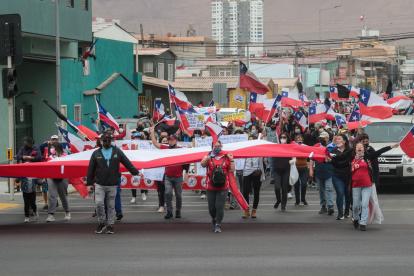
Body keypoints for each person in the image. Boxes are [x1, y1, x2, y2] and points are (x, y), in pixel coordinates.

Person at [87, 132, 139, 234]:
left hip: (112, 184)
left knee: (111, 206)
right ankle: (102, 223)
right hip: (99, 184)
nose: (106, 142)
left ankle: (110, 225)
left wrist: (135, 172)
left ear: (111, 141)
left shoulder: (117, 151)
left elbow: (127, 162)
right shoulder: (96, 153)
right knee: (99, 203)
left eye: (108, 140)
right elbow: (90, 169)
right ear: (101, 141)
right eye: (104, 140)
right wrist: (89, 184)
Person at [150, 127, 189, 219]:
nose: (170, 141)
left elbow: (187, 161)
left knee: (178, 195)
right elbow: (155, 143)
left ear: (176, 140)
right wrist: (152, 133)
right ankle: (169, 212)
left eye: (172, 140)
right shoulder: (165, 148)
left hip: (178, 177)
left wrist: (186, 174)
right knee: (167, 193)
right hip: (168, 176)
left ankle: (178, 210)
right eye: (169, 140)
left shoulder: (181, 150)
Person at [200, 140, 235, 233]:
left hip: (223, 187)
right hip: (210, 186)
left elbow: (232, 170)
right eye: (215, 146)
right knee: (211, 208)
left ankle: (218, 224)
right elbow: (202, 164)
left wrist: (231, 159)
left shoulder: (226, 156)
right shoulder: (208, 156)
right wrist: (206, 159)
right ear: (212, 147)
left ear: (221, 146)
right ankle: (214, 219)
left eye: (219, 146)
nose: (217, 148)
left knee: (219, 206)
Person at [15, 136, 41, 223]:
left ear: (31, 143)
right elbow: (18, 156)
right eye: (25, 142)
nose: (25, 144)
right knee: (25, 199)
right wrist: (24, 157)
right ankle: (26, 216)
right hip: (24, 175)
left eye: (27, 142)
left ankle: (35, 211)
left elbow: (39, 158)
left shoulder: (35, 148)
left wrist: (30, 158)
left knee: (32, 200)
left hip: (33, 175)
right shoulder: (22, 148)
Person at [310, 131, 335, 216]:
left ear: (328, 138)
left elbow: (334, 159)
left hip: (329, 171)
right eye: (321, 137)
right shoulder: (316, 147)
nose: (323, 139)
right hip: (319, 171)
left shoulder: (331, 147)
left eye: (324, 137)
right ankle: (323, 206)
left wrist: (329, 159)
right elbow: (311, 158)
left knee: (329, 188)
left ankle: (330, 206)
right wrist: (311, 169)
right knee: (321, 190)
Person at [46, 142, 71, 222]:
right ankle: (51, 215)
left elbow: (68, 166)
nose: (51, 149)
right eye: (51, 148)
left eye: (53, 147)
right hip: (51, 177)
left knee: (63, 195)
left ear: (57, 148)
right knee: (52, 196)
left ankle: (67, 212)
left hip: (62, 177)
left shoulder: (65, 156)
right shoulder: (50, 157)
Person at [351, 142, 374, 231]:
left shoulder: (367, 158)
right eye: (358, 147)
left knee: (364, 204)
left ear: (364, 149)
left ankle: (363, 222)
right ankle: (356, 218)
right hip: (356, 185)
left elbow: (377, 153)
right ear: (355, 149)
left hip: (367, 184)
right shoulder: (352, 158)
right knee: (356, 206)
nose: (359, 148)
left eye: (361, 147)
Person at [330, 134, 353, 220]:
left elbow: (346, 161)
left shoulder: (350, 150)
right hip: (336, 175)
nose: (337, 141)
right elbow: (333, 163)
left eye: (339, 139)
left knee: (347, 194)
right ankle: (340, 213)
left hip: (347, 175)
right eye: (336, 139)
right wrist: (333, 160)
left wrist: (337, 159)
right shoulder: (333, 150)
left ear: (344, 141)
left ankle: (346, 211)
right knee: (340, 193)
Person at [242, 135, 265, 218]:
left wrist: (261, 173)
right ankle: (246, 209)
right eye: (249, 140)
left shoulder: (258, 149)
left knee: (256, 192)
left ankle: (254, 210)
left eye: (252, 140)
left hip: (256, 172)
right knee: (245, 191)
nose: (250, 142)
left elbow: (262, 161)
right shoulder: (244, 149)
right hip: (246, 172)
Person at [272, 133, 292, 212]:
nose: (283, 139)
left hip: (286, 170)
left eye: (284, 137)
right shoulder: (276, 147)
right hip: (277, 170)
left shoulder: (290, 147)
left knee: (284, 188)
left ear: (287, 138)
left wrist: (292, 161)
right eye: (281, 137)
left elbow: (294, 156)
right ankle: (278, 200)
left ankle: (283, 205)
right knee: (277, 187)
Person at [293, 134, 309, 206]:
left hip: (304, 167)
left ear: (302, 139)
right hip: (295, 168)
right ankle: (297, 200)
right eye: (297, 138)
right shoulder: (293, 147)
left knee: (304, 184)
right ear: (295, 140)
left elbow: (308, 155)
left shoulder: (305, 147)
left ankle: (303, 198)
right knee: (296, 185)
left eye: (300, 138)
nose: (299, 139)